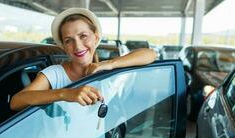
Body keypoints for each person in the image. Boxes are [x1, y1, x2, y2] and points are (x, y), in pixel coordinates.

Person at [10, 8, 157, 111]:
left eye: (83, 36)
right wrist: (66, 93)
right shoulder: (54, 73)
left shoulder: (108, 71)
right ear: (64, 46)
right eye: (69, 40)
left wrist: (110, 63)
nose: (78, 46)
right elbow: (16, 102)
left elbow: (150, 54)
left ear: (96, 37)